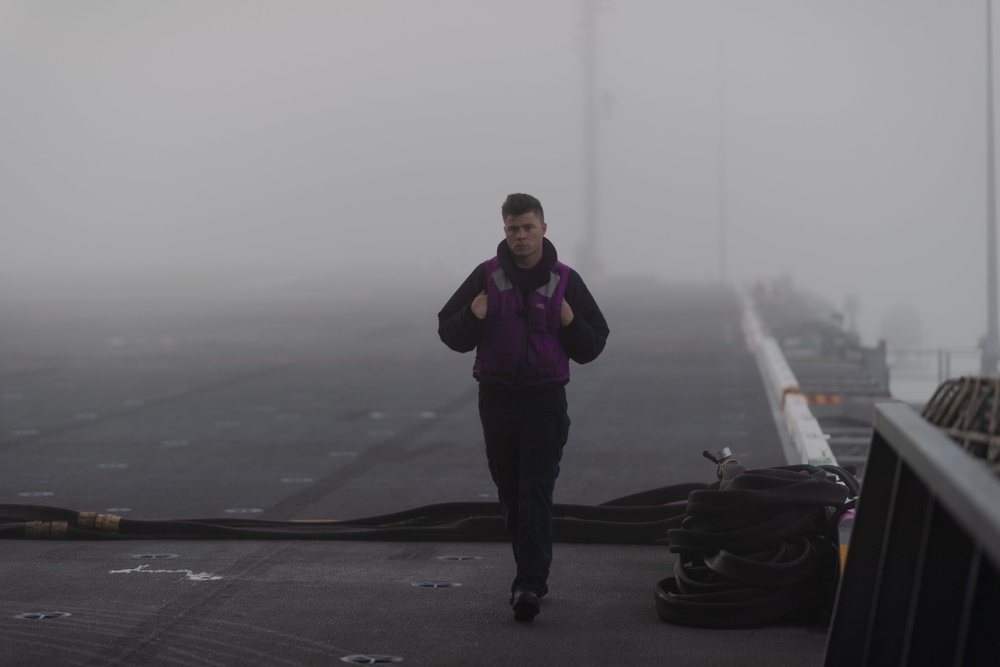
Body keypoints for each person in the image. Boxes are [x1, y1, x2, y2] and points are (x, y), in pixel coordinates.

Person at [437, 193, 609, 622]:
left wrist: (571, 321)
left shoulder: (567, 280)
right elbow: (450, 333)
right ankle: (528, 571)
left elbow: (593, 345)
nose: (521, 236)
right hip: (496, 402)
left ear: (543, 229)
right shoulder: (485, 277)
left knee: (535, 489)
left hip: (544, 402)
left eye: (528, 227)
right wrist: (473, 315)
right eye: (513, 229)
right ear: (505, 231)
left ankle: (529, 584)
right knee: (511, 492)